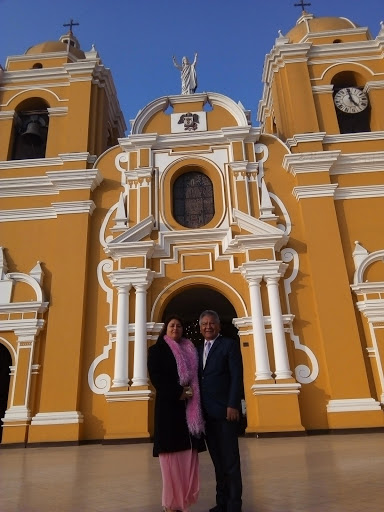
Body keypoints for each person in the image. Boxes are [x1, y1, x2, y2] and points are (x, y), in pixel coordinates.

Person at [148, 315, 206, 512]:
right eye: (172, 325)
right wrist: (178, 392)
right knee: (171, 460)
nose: (175, 328)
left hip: (189, 412)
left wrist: (189, 393)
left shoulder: (191, 351)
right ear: (165, 329)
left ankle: (184, 499)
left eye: (179, 326)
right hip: (169, 411)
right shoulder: (156, 351)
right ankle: (171, 503)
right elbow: (157, 378)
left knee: (188, 457)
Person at [198, 310, 244, 512]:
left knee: (231, 461)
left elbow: (236, 376)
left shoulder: (229, 345)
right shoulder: (198, 349)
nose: (208, 327)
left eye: (212, 323)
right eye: (204, 324)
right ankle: (222, 502)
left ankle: (234, 505)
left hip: (226, 412)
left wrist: (233, 404)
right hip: (206, 414)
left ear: (218, 326)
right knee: (217, 461)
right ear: (200, 328)